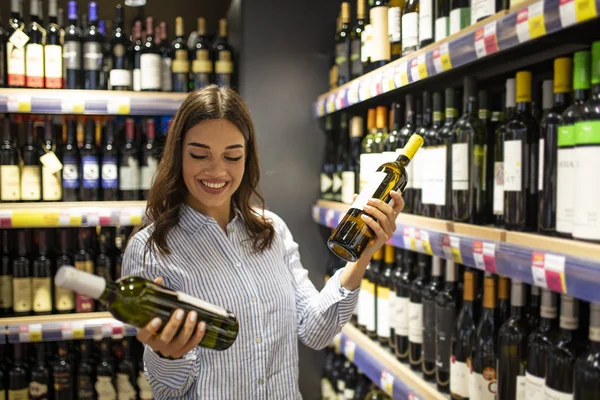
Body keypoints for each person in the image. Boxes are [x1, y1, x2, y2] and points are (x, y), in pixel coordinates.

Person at [122, 85, 404, 399]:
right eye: (199, 155)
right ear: (178, 155)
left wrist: (362, 254)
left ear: (248, 157)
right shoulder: (150, 250)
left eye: (232, 156)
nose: (217, 170)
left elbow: (314, 329)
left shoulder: (272, 230)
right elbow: (165, 388)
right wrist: (167, 355)